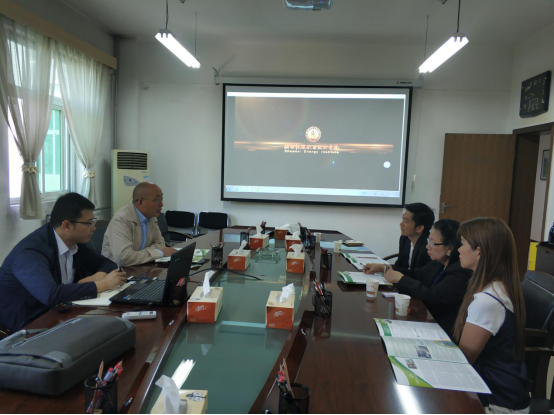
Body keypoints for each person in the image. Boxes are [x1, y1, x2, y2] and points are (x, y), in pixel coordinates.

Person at [0, 193, 126, 333]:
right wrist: (102, 285)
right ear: (66, 225)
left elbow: (108, 264)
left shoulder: (73, 243)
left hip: (60, 312)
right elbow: (50, 294)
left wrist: (98, 276)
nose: (94, 228)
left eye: (94, 221)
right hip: (27, 324)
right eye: (89, 223)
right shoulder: (31, 252)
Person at [455, 218, 529, 414]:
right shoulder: (500, 286)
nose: (458, 250)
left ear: (479, 251)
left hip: (497, 402)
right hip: (503, 390)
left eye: (462, 244)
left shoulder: (487, 302)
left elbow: (464, 360)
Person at [378, 219, 472, 335]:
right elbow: (416, 275)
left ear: (449, 248)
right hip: (428, 320)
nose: (427, 246)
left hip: (443, 330)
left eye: (432, 243)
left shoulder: (460, 272)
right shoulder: (439, 262)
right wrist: (384, 267)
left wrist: (400, 278)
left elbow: (433, 297)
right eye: (428, 241)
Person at [102, 182, 177, 266]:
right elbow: (124, 258)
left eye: (161, 199)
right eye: (157, 200)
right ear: (141, 202)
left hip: (141, 265)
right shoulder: (121, 220)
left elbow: (160, 244)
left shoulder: (151, 216)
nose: (161, 204)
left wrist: (138, 255)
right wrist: (158, 252)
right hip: (117, 270)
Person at [365, 203, 435, 274]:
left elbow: (417, 275)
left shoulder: (428, 248)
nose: (401, 224)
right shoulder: (405, 239)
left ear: (419, 228)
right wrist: (381, 268)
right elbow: (399, 265)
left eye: (406, 221)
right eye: (402, 219)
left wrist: (383, 268)